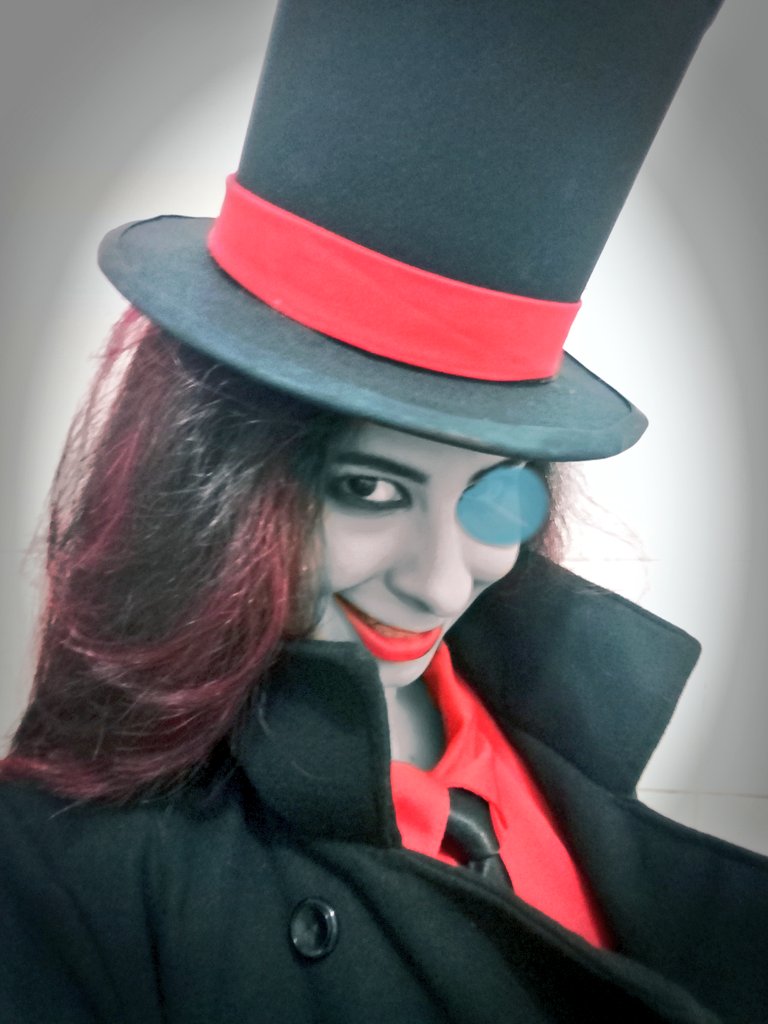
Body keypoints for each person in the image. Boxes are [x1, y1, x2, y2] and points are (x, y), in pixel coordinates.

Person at [1, 1, 767, 1022]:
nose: (442, 583)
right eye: (368, 488)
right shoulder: (58, 870)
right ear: (213, 488)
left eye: (493, 492)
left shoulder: (547, 717)